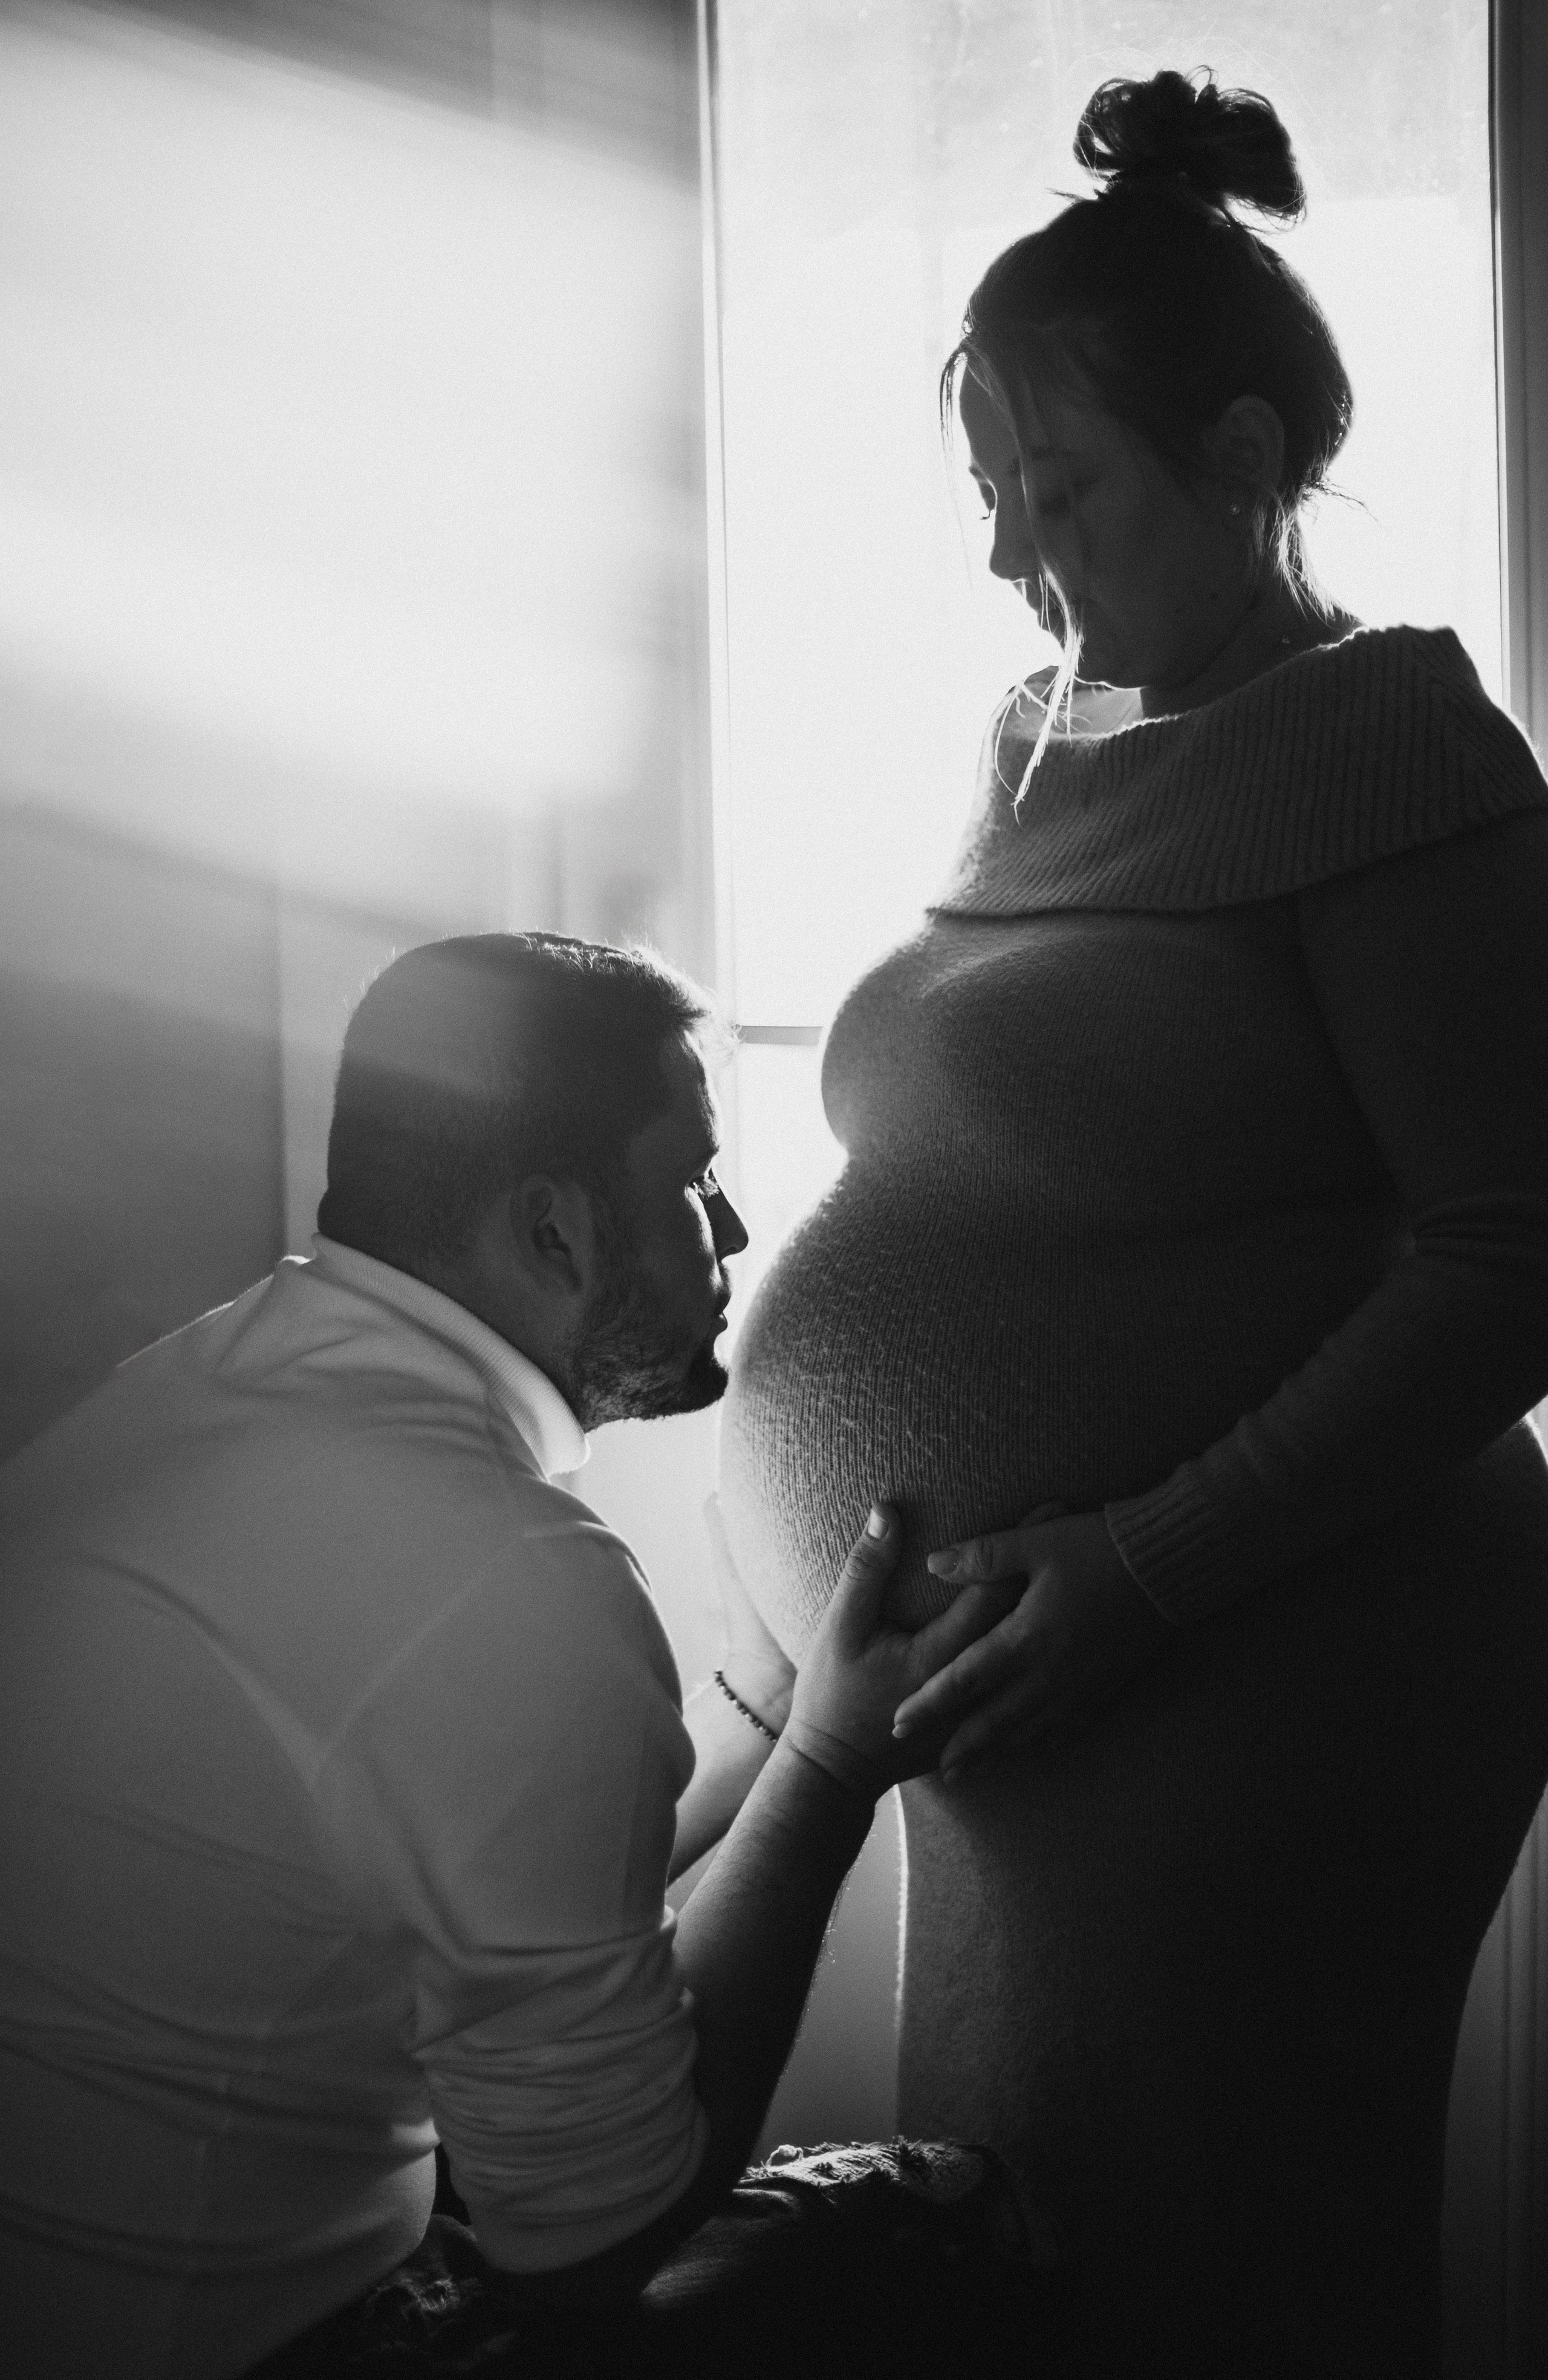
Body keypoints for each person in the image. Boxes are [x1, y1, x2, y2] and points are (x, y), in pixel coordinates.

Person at [717, 67, 1548, 2379]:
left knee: (1200, 2267)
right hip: (1018, 1690)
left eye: (1057, 489)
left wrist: (1144, 1563)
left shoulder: (1391, 749)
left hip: (1274, 1660)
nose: (1011, 553)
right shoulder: (1037, 734)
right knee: (1011, 2252)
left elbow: (1513, 1251)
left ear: (1253, 463)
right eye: (991, 491)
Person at [0, 934, 1060, 2380]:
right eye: (690, 1181)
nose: (734, 1230)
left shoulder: (199, 1391)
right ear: (554, 1230)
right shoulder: (503, 1572)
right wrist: (828, 1772)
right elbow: (589, 2248)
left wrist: (759, 1710)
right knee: (941, 2227)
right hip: (240, 2349)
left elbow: (485, 1887)